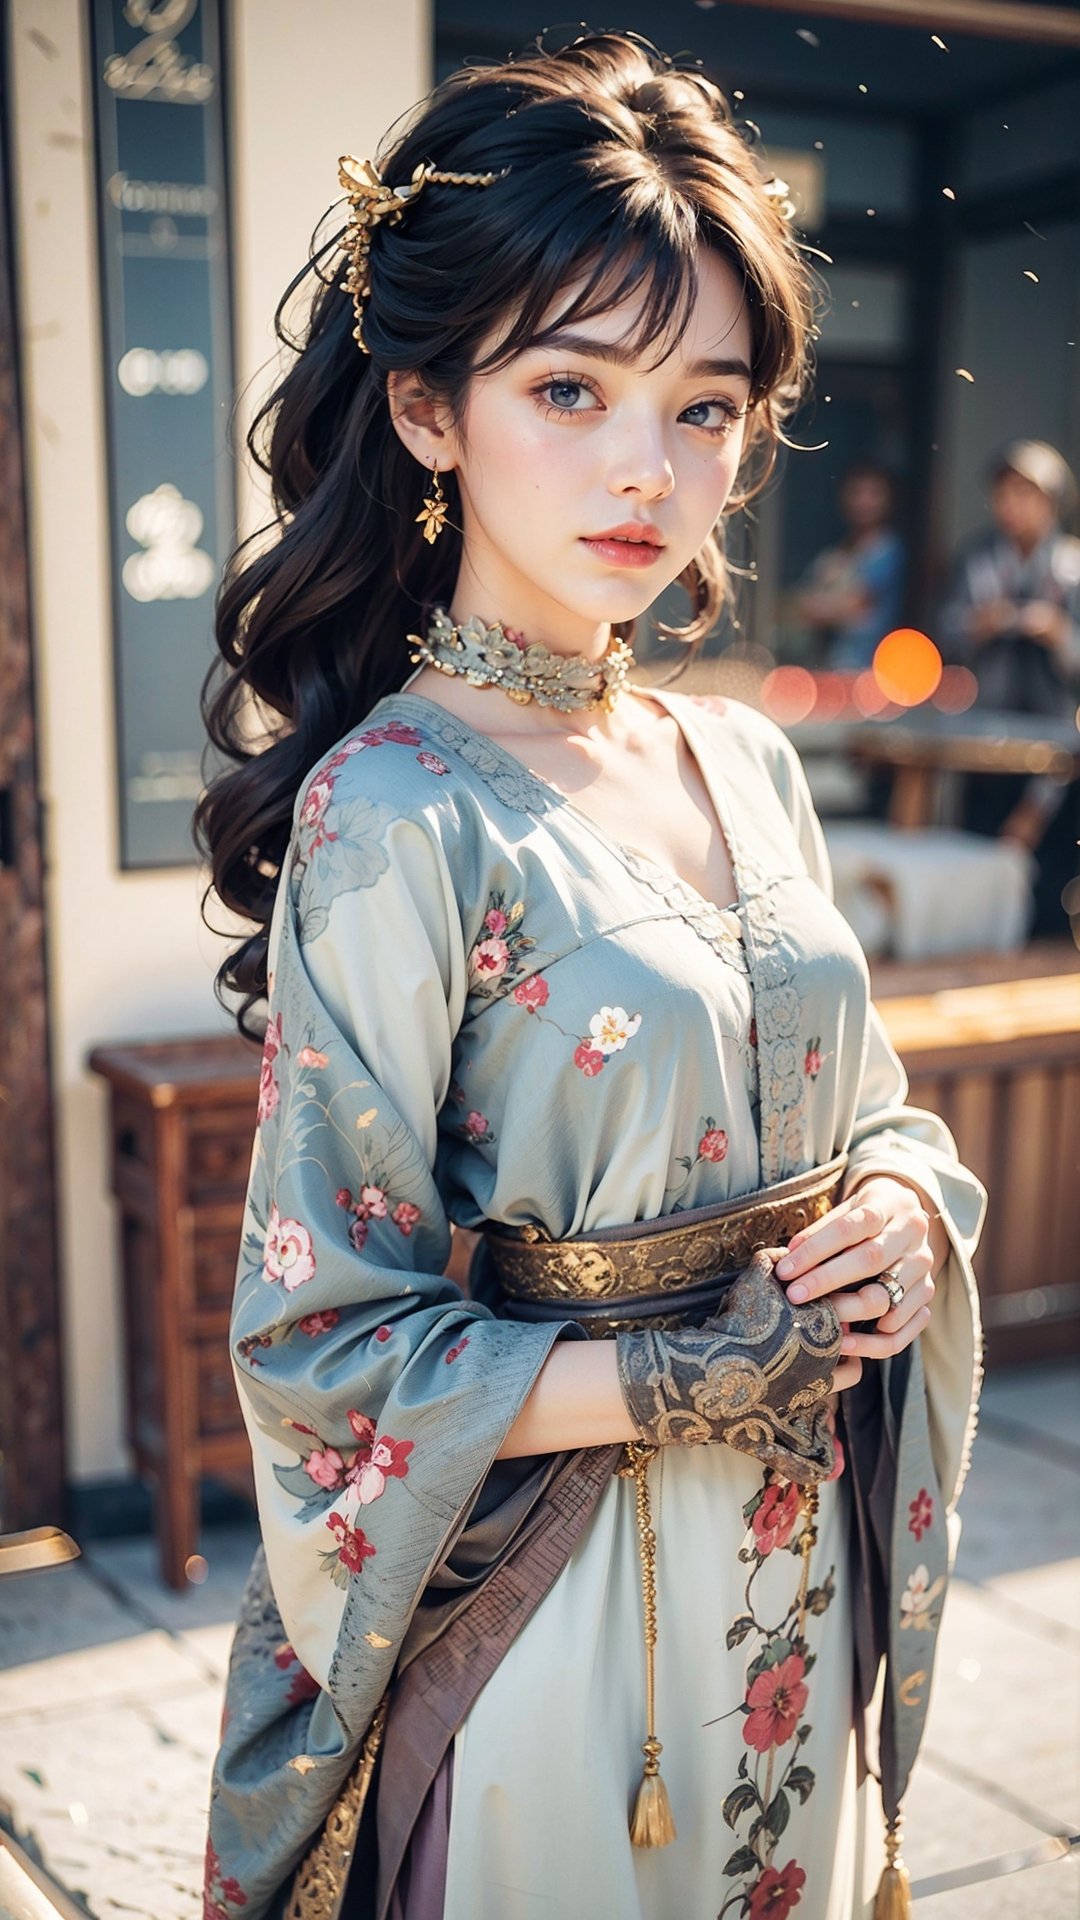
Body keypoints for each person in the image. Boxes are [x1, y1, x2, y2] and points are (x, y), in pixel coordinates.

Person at [197, 33, 984, 1920]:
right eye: (571, 386)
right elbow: (328, 1342)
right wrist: (682, 1370)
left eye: (705, 409)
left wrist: (895, 1199)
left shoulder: (750, 760)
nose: (652, 470)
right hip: (567, 1605)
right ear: (424, 412)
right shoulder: (396, 809)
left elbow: (858, 1104)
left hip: (796, 1563)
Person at [940, 439, 1080, 934]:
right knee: (982, 837)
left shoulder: (1071, 567)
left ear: (1052, 499)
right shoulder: (979, 560)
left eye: (1026, 493)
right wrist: (985, 623)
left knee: (1051, 854)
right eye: (1005, 493)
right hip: (987, 730)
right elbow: (949, 633)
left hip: (1055, 733)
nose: (1012, 505)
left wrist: (1059, 632)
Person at [793, 461, 905, 671]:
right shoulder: (839, 550)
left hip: (869, 666)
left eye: (874, 494)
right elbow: (802, 604)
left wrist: (819, 605)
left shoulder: (887, 549)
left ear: (889, 499)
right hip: (832, 662)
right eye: (857, 492)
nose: (864, 502)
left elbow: (852, 605)